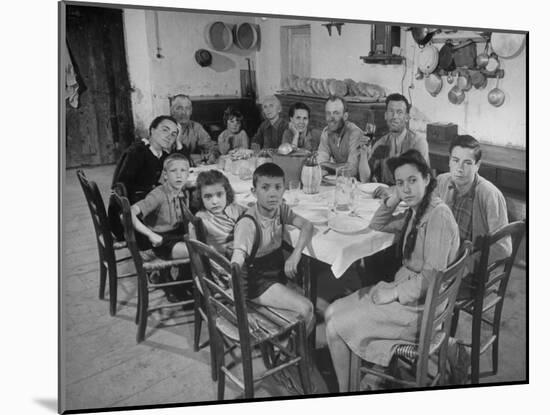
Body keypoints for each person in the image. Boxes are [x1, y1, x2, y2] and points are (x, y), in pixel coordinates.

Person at [324, 149, 460, 392]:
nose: (406, 189)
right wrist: (394, 197)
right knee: (331, 312)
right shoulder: (417, 211)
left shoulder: (438, 215)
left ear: (427, 179)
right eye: (400, 183)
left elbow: (432, 276)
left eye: (412, 181)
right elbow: (378, 224)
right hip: (407, 293)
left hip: (421, 308)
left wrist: (394, 293)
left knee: (334, 326)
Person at [231, 162, 315, 334]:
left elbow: (307, 225)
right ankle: (293, 353)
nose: (272, 194)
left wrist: (296, 254)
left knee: (312, 303)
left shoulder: (280, 209)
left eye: (278, 187)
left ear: (284, 190)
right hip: (255, 281)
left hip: (275, 272)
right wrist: (242, 310)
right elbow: (235, 268)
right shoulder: (248, 224)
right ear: (254, 192)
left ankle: (292, 346)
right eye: (265, 187)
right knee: (307, 308)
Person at [436, 134, 511, 274]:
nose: (460, 168)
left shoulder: (490, 195)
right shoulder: (441, 181)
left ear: (477, 165)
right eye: (456, 160)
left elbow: (503, 247)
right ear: (449, 161)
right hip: (441, 260)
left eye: (467, 163)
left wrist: (467, 266)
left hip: (469, 269)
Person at [130, 153, 192, 303]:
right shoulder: (158, 195)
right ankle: (176, 286)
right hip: (161, 241)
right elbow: (128, 212)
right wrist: (150, 234)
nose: (179, 175)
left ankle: (186, 281)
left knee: (200, 241)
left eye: (183, 171)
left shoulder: (184, 191)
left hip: (177, 234)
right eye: (173, 171)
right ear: (165, 175)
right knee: (196, 249)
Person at [107, 115, 181, 240]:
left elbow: (180, 161)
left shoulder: (161, 155)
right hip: (128, 219)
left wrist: (178, 144)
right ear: (152, 130)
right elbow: (120, 188)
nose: (169, 136)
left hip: (142, 209)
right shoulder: (137, 152)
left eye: (173, 134)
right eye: (165, 130)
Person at [362, 93, 430, 193]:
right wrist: (363, 152)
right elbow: (365, 179)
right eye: (391, 111)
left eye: (399, 112)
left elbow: (419, 181)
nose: (394, 116)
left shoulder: (418, 142)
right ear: (385, 115)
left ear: (407, 117)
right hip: (385, 199)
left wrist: (391, 190)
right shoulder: (381, 142)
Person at [192, 169, 246, 257]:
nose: (215, 201)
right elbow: (197, 248)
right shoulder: (201, 219)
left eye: (219, 195)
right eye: (208, 197)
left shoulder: (236, 209)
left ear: (227, 193)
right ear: (200, 198)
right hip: (222, 262)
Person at [317, 95, 364, 179]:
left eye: (336, 113)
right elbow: (319, 163)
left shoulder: (355, 133)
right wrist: (335, 167)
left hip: (357, 184)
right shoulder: (326, 132)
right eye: (328, 113)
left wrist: (328, 165)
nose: (331, 118)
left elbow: (352, 170)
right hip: (339, 181)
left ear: (345, 116)